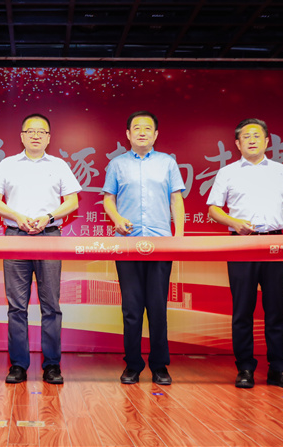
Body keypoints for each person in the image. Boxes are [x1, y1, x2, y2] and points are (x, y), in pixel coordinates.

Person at [207, 118, 283, 390]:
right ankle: (245, 368)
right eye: (246, 136)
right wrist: (234, 223)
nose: (251, 140)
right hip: (241, 244)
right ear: (237, 144)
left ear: (266, 141)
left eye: (257, 136)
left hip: (275, 244)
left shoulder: (280, 171)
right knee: (242, 310)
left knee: (276, 309)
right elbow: (213, 209)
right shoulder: (227, 172)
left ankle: (279, 369)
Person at [0, 113, 81, 384]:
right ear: (22, 136)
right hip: (15, 237)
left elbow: (72, 201)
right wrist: (17, 216)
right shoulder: (8, 164)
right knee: (17, 306)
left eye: (42, 132)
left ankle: (52, 365)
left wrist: (48, 217)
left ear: (49, 138)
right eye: (31, 131)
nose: (36, 136)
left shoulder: (59, 165)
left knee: (51, 305)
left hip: (49, 237)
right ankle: (18, 365)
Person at [102, 111, 185, 385]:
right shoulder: (117, 164)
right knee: (132, 309)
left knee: (158, 308)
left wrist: (179, 236)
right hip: (127, 245)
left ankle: (160, 365)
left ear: (155, 134)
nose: (141, 132)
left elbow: (176, 200)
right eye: (136, 128)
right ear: (127, 134)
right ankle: (133, 365)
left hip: (161, 244)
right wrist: (117, 219)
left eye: (147, 128)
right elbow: (108, 199)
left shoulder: (167, 163)